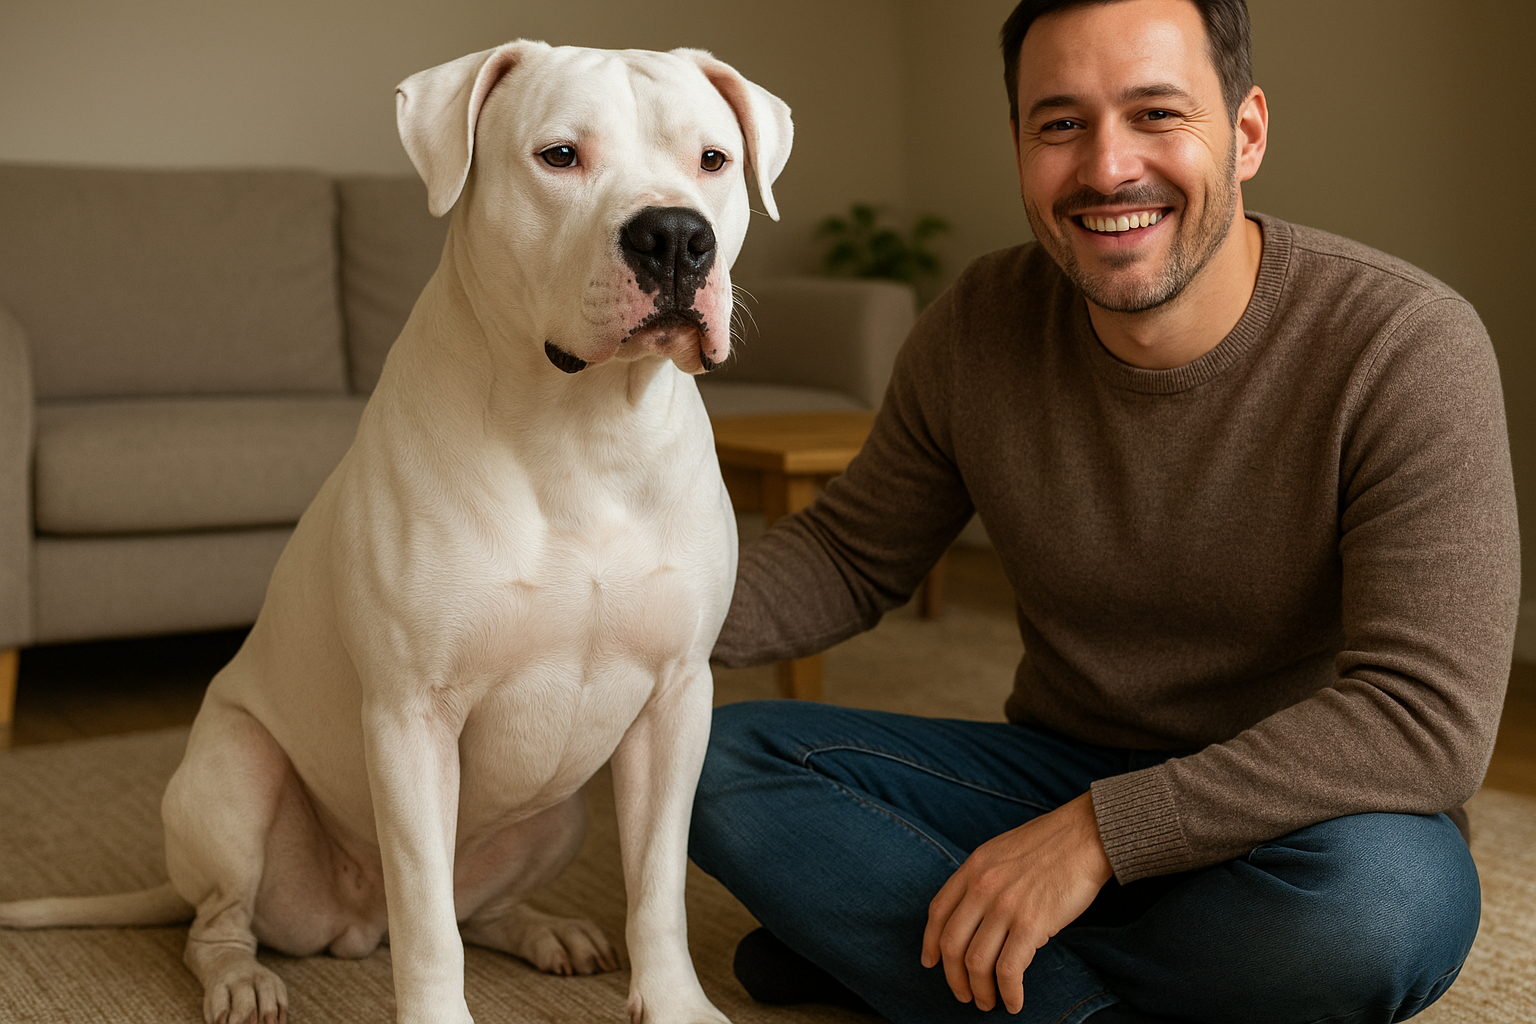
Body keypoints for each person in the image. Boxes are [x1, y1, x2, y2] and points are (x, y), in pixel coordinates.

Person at [686, 1, 1521, 1022]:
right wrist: (622, 616)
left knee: (1392, 905)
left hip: (1297, 814)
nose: (1108, 168)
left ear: (1247, 132)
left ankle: (933, 950)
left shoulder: (1406, 344)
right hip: (1054, 763)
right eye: (1061, 123)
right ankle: (1049, 974)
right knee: (716, 761)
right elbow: (851, 554)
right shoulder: (980, 323)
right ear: (1020, 146)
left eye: (1157, 114)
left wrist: (1096, 839)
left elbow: (1421, 721)